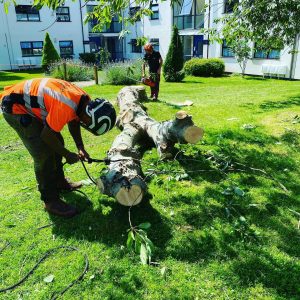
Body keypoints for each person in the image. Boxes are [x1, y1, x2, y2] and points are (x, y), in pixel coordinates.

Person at [0, 78, 116, 218]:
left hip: (29, 104)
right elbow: (46, 135)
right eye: (87, 122)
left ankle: (59, 182)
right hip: (15, 108)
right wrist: (67, 154)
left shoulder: (85, 102)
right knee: (44, 153)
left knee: (58, 141)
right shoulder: (65, 104)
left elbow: (74, 120)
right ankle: (50, 201)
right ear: (89, 113)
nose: (84, 124)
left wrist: (80, 147)